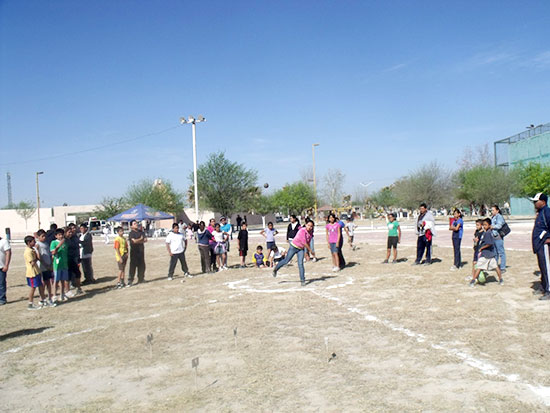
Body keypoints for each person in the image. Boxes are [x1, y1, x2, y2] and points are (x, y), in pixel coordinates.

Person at [272, 220, 316, 286]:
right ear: (305, 225)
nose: (309, 227)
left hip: (300, 249)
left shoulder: (311, 233)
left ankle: (302, 280)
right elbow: (304, 242)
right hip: (294, 247)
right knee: (286, 260)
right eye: (308, 225)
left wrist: (307, 253)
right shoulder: (302, 231)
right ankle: (276, 269)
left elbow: (308, 242)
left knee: (300, 264)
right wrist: (311, 251)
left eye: (311, 226)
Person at [469, 218, 503, 287]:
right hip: (490, 254)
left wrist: (482, 248)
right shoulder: (488, 232)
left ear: (489, 225)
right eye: (483, 225)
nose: (484, 226)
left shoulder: (487, 233)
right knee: (496, 267)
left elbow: (489, 243)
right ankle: (501, 279)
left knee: (479, 267)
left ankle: (473, 281)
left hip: (486, 254)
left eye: (485, 225)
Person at [530, 193, 550, 300]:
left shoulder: (547, 212)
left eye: (536, 201)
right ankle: (543, 286)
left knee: (547, 268)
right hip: (539, 246)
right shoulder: (540, 213)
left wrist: (548, 239)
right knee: (542, 267)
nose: (534, 203)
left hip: (544, 245)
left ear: (543, 201)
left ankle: (549, 290)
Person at [24, 235, 51, 309]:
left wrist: (37, 251)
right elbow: (32, 263)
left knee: (41, 286)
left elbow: (38, 258)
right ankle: (30, 304)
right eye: (33, 241)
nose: (35, 242)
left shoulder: (32, 250)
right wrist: (36, 257)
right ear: (29, 242)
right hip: (32, 273)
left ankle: (43, 300)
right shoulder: (28, 252)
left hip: (37, 271)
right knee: (33, 288)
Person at [50, 228, 70, 301]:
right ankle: (54, 295)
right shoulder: (53, 242)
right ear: (56, 236)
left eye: (62, 234)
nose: (61, 236)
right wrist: (58, 245)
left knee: (63, 280)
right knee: (56, 281)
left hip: (64, 264)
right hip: (57, 265)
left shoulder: (65, 242)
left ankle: (62, 294)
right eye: (59, 235)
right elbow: (53, 252)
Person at [36, 230, 55, 303]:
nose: (44, 237)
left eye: (45, 236)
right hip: (42, 267)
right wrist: (45, 265)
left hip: (48, 266)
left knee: (48, 282)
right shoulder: (37, 245)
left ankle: (50, 297)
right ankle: (42, 298)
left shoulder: (47, 244)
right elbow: (39, 256)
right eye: (42, 236)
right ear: (38, 237)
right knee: (42, 283)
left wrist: (50, 264)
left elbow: (50, 255)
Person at [66, 225, 83, 296]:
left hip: (74, 258)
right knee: (67, 276)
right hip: (67, 259)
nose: (71, 233)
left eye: (72, 230)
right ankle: (67, 291)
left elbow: (77, 248)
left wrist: (78, 257)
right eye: (69, 232)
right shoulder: (64, 240)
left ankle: (78, 288)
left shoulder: (74, 238)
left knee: (77, 273)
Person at [128, 219, 147, 286]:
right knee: (133, 267)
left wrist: (138, 241)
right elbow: (133, 241)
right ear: (131, 226)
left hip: (141, 252)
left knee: (142, 266)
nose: (136, 225)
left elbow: (145, 240)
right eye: (134, 224)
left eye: (136, 223)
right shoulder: (131, 233)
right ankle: (130, 280)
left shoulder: (141, 232)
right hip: (134, 253)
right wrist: (140, 239)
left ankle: (141, 279)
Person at [490, 205, 507, 273]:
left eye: (493, 210)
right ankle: (495, 266)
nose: (492, 211)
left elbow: (499, 226)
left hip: (498, 236)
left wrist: (492, 227)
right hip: (493, 236)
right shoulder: (493, 217)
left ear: (497, 210)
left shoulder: (499, 217)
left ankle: (502, 267)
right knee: (495, 252)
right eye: (491, 210)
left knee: (501, 252)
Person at [0, 233, 11, 305]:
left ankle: (2, 299)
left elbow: (8, 253)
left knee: (1, 283)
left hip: (1, 266)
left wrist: (6, 265)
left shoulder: (4, 241)